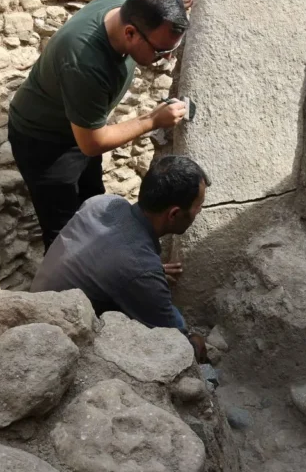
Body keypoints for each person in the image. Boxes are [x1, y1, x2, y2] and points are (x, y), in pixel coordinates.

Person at [8, 0, 190, 252]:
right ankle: (65, 291)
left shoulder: (124, 6)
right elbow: (92, 143)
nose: (169, 57)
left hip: (78, 128)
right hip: (45, 144)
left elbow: (151, 2)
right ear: (130, 33)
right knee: (65, 235)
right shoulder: (85, 63)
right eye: (161, 51)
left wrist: (174, 6)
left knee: (93, 208)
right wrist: (152, 120)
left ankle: (102, 268)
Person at [30, 154, 210, 361]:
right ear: (174, 214)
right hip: (50, 346)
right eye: (198, 206)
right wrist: (195, 342)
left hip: (35, 305)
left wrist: (148, 272)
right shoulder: (140, 269)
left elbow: (109, 256)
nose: (200, 211)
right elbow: (174, 344)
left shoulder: (103, 203)